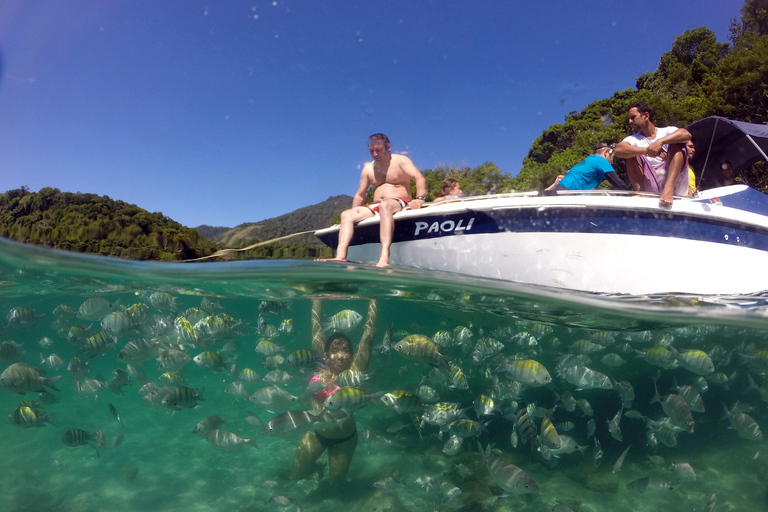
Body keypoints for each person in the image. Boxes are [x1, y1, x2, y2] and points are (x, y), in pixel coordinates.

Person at [291, 299, 376, 485]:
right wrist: (317, 299)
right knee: (297, 475)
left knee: (337, 482)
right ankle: (318, 467)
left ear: (352, 354)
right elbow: (316, 329)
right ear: (326, 353)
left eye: (345, 350)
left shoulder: (355, 371)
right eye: (334, 350)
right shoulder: (321, 365)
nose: (339, 355)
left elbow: (368, 335)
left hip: (344, 439)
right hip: (316, 434)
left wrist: (373, 299)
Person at [321, 134, 427, 267]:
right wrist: (350, 218)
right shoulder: (368, 169)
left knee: (385, 206)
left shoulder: (400, 161)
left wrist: (419, 199)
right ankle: (340, 256)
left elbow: (419, 178)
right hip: (375, 205)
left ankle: (384, 257)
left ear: (388, 147)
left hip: (399, 201)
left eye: (378, 150)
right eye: (372, 151)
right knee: (346, 215)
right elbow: (360, 195)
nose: (375, 154)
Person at [614, 101, 691, 206]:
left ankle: (669, 189)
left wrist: (660, 142)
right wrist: (648, 150)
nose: (630, 121)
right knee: (628, 154)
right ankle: (641, 193)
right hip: (650, 187)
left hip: (675, 183)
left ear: (646, 115)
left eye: (633, 117)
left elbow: (686, 135)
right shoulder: (633, 139)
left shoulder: (667, 131)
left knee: (677, 143)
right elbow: (618, 150)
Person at [543, 141, 626, 192]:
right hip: (569, 193)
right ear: (606, 152)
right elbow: (618, 184)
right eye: (612, 157)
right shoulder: (601, 160)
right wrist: (631, 195)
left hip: (561, 190)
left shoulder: (589, 160)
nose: (612, 162)